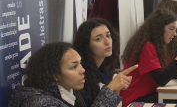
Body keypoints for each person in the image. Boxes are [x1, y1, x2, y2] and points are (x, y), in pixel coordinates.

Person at [120, 8, 177, 106]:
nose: (175, 33)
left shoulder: (158, 45)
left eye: (175, 29)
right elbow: (162, 79)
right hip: (135, 99)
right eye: (171, 29)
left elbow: (173, 75)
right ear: (159, 28)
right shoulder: (147, 47)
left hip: (149, 93)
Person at [8, 42, 136, 107]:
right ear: (54, 75)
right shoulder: (41, 103)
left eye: (80, 64)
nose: (82, 70)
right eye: (74, 67)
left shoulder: (61, 92)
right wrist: (110, 90)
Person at [73, 18, 134, 107]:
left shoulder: (104, 69)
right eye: (98, 39)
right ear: (86, 45)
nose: (107, 42)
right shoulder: (81, 75)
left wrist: (115, 91)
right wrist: (111, 89)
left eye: (108, 36)